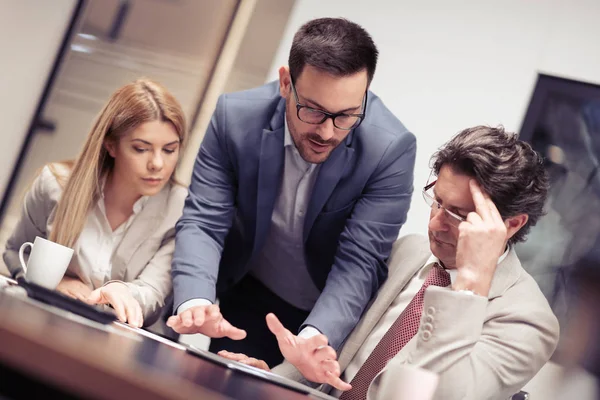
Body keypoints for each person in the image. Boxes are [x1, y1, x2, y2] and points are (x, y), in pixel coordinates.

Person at [220, 126, 561, 400]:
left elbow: (439, 396)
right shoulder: (407, 252)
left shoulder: (528, 322)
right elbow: (329, 363)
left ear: (511, 224)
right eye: (437, 201)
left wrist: (468, 288)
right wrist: (267, 380)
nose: (436, 223)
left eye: (459, 214)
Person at [167, 17, 416, 366]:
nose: (328, 132)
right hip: (245, 287)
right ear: (286, 83)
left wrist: (315, 337)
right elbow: (204, 221)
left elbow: (359, 262)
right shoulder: (235, 118)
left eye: (346, 115)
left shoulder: (390, 150)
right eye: (313, 110)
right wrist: (195, 301)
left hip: (324, 312)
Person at [3, 78, 188, 327]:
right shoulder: (56, 184)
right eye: (141, 148)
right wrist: (55, 282)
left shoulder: (181, 209)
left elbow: (152, 294)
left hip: (117, 349)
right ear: (111, 145)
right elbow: (15, 251)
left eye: (169, 150)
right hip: (41, 327)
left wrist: (120, 292)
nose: (157, 163)